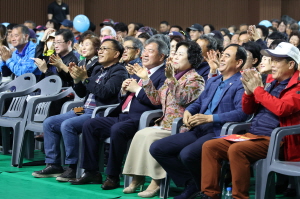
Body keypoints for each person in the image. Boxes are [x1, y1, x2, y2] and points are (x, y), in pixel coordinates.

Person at [201, 42, 300, 199]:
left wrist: (257, 90)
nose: (272, 65)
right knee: (210, 146)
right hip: (253, 135)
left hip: (277, 141)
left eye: (277, 61)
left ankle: (239, 196)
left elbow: (281, 108)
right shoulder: (271, 83)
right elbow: (249, 110)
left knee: (236, 150)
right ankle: (209, 194)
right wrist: (248, 94)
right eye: (271, 60)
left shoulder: (297, 87)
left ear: (291, 64)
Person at [150, 44, 248, 199]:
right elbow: (199, 102)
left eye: (227, 56)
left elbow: (241, 113)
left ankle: (201, 187)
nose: (222, 58)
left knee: (187, 154)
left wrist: (210, 118)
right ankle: (192, 183)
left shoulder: (241, 83)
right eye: (222, 54)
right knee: (158, 148)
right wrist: (189, 112)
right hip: (199, 128)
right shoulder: (214, 81)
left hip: (219, 131)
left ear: (238, 63)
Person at [69, 38, 167, 189]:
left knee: (117, 130)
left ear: (161, 56)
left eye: (150, 51)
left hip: (141, 118)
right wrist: (123, 90)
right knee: (90, 124)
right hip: (122, 115)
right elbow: (124, 96)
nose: (145, 54)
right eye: (145, 50)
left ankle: (112, 176)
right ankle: (91, 172)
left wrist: (138, 90)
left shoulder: (164, 75)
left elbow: (159, 101)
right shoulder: (139, 71)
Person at [32, 39, 128, 181]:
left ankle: (73, 167)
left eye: (105, 49)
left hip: (98, 113)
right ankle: (53, 164)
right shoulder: (97, 69)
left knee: (68, 125)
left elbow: (106, 93)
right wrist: (77, 80)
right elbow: (83, 93)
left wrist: (86, 79)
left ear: (116, 54)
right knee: (50, 122)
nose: (100, 51)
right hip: (84, 109)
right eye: (100, 48)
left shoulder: (119, 72)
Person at [122, 41, 205, 198]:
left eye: (180, 54)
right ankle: (137, 177)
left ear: (191, 59)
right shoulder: (171, 76)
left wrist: (171, 79)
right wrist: (146, 79)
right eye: (175, 53)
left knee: (150, 136)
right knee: (141, 134)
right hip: (164, 125)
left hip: (180, 128)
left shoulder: (196, 79)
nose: (175, 57)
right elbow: (156, 101)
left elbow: (182, 99)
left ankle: (157, 181)